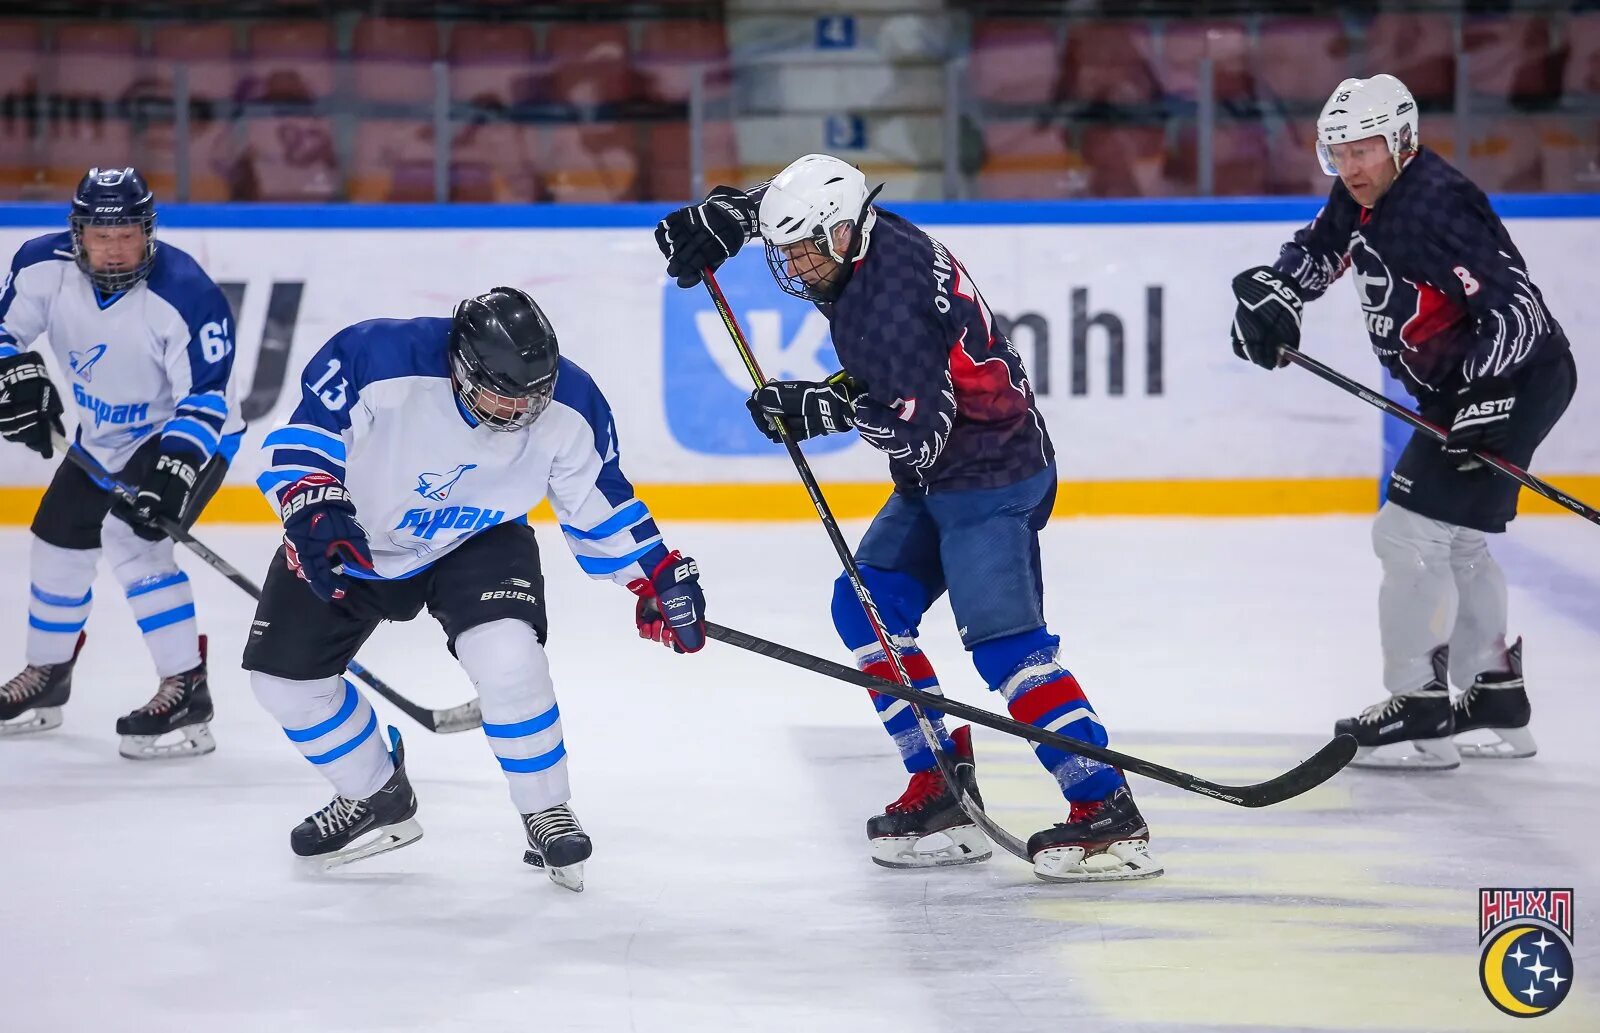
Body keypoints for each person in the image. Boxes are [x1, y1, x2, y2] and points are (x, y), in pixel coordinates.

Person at [654, 154, 1162, 883]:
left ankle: (1107, 809)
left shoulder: (887, 299)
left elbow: (919, 428)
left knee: (1006, 648)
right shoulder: (863, 233)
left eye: (804, 248)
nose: (794, 265)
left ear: (840, 232)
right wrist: (734, 214)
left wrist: (818, 407)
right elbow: (806, 198)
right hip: (940, 478)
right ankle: (943, 786)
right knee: (865, 607)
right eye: (784, 249)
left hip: (991, 477)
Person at [242, 286, 707, 892]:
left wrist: (655, 574)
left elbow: (599, 501)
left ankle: (547, 810)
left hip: (476, 538)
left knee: (510, 658)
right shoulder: (377, 356)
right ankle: (374, 793)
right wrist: (311, 503)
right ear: (462, 367)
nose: (519, 412)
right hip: (354, 538)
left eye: (532, 397)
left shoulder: (572, 403)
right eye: (502, 395)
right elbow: (305, 437)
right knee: (283, 685)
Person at [1228, 75, 1576, 769]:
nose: (1351, 168)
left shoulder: (1434, 206)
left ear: (1401, 141)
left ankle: (1418, 702)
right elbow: (1323, 247)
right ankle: (1493, 693)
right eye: (1338, 154)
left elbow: (1517, 310)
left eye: (1364, 150)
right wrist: (1279, 295)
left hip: (1514, 380)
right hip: (1478, 389)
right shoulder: (1366, 194)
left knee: (1408, 535)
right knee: (1456, 544)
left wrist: (1487, 395)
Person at [0, 167, 242, 759]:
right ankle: (48, 674)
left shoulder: (187, 292)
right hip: (102, 437)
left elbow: (206, 400)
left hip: (187, 435)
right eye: (101, 235)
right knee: (58, 540)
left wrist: (174, 469)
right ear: (77, 232)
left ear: (148, 232)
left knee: (133, 541)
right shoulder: (40, 266)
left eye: (127, 233)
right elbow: (3, 333)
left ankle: (186, 687)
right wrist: (13, 374)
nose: (114, 248)